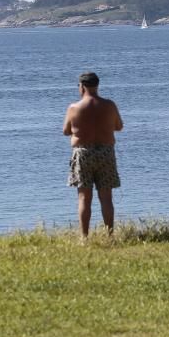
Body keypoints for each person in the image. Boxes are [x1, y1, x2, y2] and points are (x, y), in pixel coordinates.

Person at [63, 71, 124, 238]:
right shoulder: (109, 105)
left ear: (82, 87)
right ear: (97, 86)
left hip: (83, 154)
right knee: (106, 197)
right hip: (105, 152)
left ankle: (84, 237)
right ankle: (110, 235)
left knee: (84, 198)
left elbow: (66, 130)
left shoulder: (74, 108)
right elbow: (119, 126)